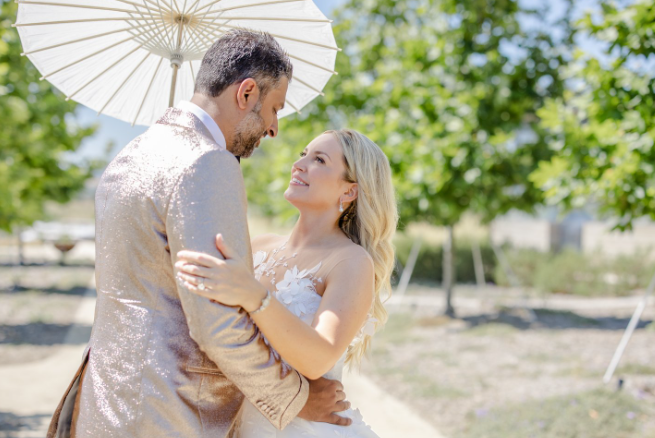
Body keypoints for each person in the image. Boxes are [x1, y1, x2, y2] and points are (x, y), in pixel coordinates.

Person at [47, 30, 351, 438]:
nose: (274, 128)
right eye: (274, 108)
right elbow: (217, 323)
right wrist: (294, 398)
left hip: (106, 403)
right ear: (246, 93)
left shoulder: (132, 153)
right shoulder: (208, 164)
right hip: (168, 413)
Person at [175, 129, 398, 437]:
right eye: (302, 155)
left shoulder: (350, 262)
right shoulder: (259, 246)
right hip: (237, 421)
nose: (300, 164)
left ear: (349, 192)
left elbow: (318, 359)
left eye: (318, 159)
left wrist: (256, 297)